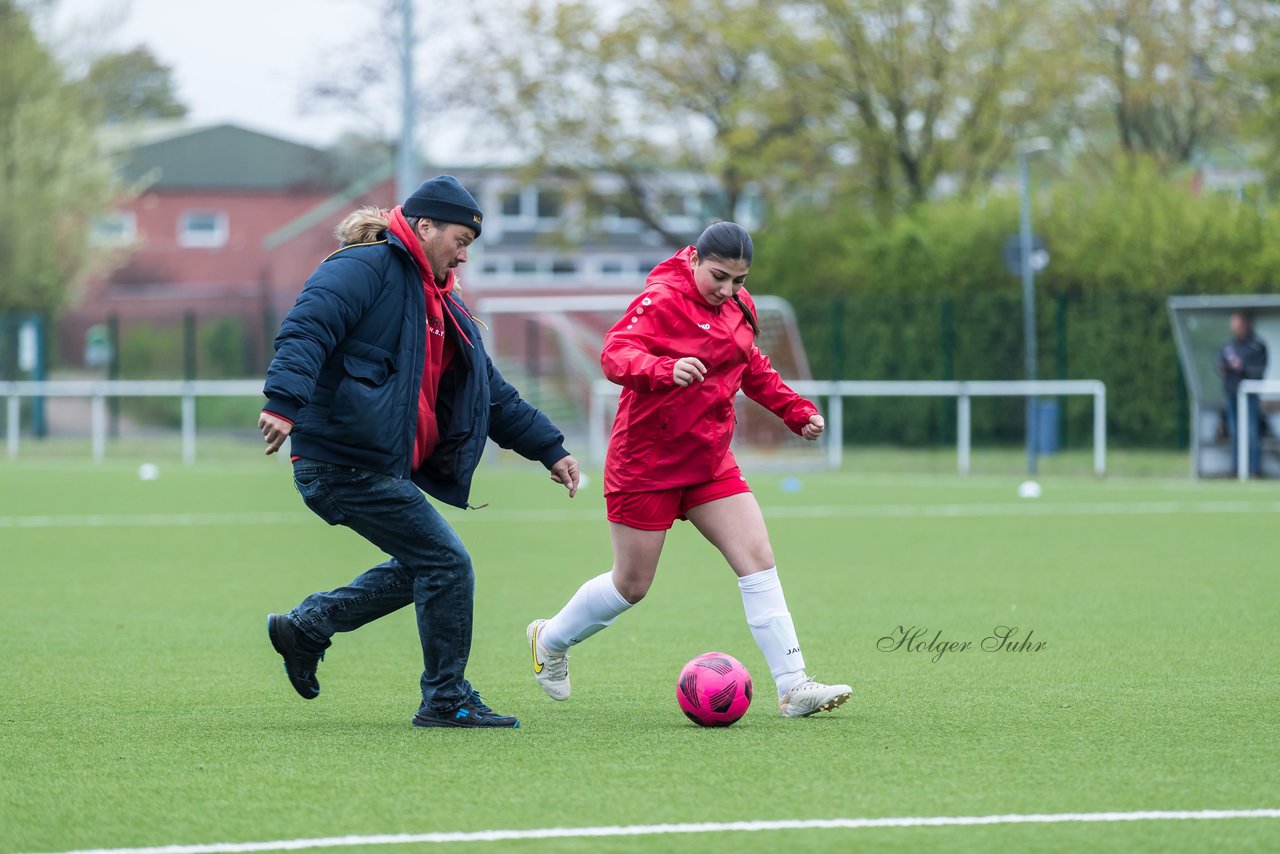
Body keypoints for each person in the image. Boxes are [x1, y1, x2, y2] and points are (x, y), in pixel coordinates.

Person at [260, 175, 581, 729]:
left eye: (470, 244)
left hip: (372, 464)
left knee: (427, 567)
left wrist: (548, 448)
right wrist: (284, 401)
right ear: (424, 226)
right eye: (459, 239)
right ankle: (445, 698)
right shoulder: (362, 268)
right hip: (339, 459)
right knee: (447, 564)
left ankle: (308, 627)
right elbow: (307, 329)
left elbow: (491, 394)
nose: (464, 252)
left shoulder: (443, 302)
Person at [526, 222, 852, 718]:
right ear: (695, 259)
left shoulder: (741, 307)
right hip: (646, 463)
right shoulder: (662, 300)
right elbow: (615, 354)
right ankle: (549, 639)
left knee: (757, 560)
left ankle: (794, 686)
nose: (727, 290)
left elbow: (751, 367)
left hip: (709, 461)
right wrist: (663, 369)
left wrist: (795, 410)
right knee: (631, 585)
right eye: (719, 277)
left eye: (739, 281)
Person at [1217, 310, 1268, 478]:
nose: (1236, 329)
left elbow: (1259, 371)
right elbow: (1218, 363)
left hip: (1250, 396)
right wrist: (1223, 368)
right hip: (1232, 394)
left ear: (1246, 325)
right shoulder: (1228, 346)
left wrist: (1243, 368)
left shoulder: (1257, 346)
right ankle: (1237, 468)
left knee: (1252, 431)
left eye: (1238, 325)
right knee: (1234, 431)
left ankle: (1253, 469)